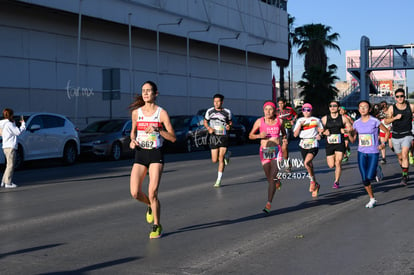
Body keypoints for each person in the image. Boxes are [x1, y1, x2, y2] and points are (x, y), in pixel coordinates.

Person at [129, 80, 176, 239]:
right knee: (135, 192)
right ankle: (149, 204)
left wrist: (158, 129)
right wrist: (132, 140)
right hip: (141, 153)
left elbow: (173, 138)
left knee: (152, 191)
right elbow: (133, 132)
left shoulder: (161, 113)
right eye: (143, 90)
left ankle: (157, 225)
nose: (145, 93)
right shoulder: (136, 113)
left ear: (156, 94)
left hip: (156, 154)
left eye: (149, 91)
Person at [349, 100, 389, 208]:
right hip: (361, 152)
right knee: (364, 178)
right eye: (361, 107)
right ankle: (372, 198)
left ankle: (376, 170)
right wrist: (348, 133)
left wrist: (383, 143)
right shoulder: (356, 123)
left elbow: (387, 131)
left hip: (373, 152)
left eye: (365, 107)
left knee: (370, 176)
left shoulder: (374, 121)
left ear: (369, 109)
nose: (362, 109)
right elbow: (353, 140)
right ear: (358, 109)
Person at [249, 101, 286, 214]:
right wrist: (259, 136)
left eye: (270, 109)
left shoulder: (279, 121)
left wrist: (284, 140)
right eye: (266, 109)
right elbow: (250, 136)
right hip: (264, 151)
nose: (268, 111)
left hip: (276, 151)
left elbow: (284, 133)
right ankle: (277, 181)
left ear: (274, 110)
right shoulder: (259, 122)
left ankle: (268, 203)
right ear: (263, 110)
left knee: (272, 177)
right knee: (269, 178)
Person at [293, 103, 324, 198]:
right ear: (302, 111)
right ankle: (316, 184)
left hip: (313, 143)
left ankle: (312, 181)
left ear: (311, 110)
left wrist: (320, 135)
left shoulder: (316, 120)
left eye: (308, 109)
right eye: (304, 110)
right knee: (309, 165)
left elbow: (321, 130)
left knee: (306, 163)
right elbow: (295, 135)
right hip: (303, 144)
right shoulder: (300, 120)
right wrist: (300, 126)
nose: (306, 111)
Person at [384, 88, 414, 185]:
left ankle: (404, 177)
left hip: (407, 134)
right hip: (396, 135)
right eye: (398, 96)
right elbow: (386, 121)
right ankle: (404, 171)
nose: (400, 98)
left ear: (404, 97)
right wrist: (395, 118)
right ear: (395, 98)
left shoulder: (411, 106)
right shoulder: (392, 108)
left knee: (405, 154)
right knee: (400, 157)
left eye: (402, 96)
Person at [321, 100, 353, 189]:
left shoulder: (343, 118)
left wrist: (345, 131)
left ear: (338, 107)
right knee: (331, 165)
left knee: (338, 162)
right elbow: (318, 129)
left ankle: (336, 181)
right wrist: (324, 132)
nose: (332, 107)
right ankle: (336, 170)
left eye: (334, 106)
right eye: (330, 106)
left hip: (340, 143)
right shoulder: (324, 118)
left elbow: (350, 128)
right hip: (329, 143)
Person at [204, 93, 232, 188]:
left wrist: (229, 126)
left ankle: (218, 180)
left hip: (223, 136)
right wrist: (208, 128)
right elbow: (205, 121)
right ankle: (227, 154)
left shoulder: (227, 112)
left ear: (222, 102)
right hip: (213, 137)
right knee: (214, 160)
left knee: (221, 158)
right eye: (214, 101)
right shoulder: (210, 111)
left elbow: (230, 122)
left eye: (218, 101)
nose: (216, 103)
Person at [1, 108, 26, 188]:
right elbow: (18, 132)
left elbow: (2, 134)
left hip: (5, 146)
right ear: (11, 115)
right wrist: (23, 124)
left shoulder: (2, 123)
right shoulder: (9, 124)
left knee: (8, 165)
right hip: (10, 146)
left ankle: (3, 182)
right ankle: (8, 183)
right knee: (11, 165)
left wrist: (13, 123)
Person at [276, 97, 297, 172]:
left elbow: (295, 115)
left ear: (284, 103)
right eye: (279, 103)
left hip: (287, 129)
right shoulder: (276, 111)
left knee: (284, 147)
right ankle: (287, 162)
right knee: (281, 148)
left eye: (282, 103)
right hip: (278, 130)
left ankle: (287, 164)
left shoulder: (289, 109)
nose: (280, 105)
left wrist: (293, 121)